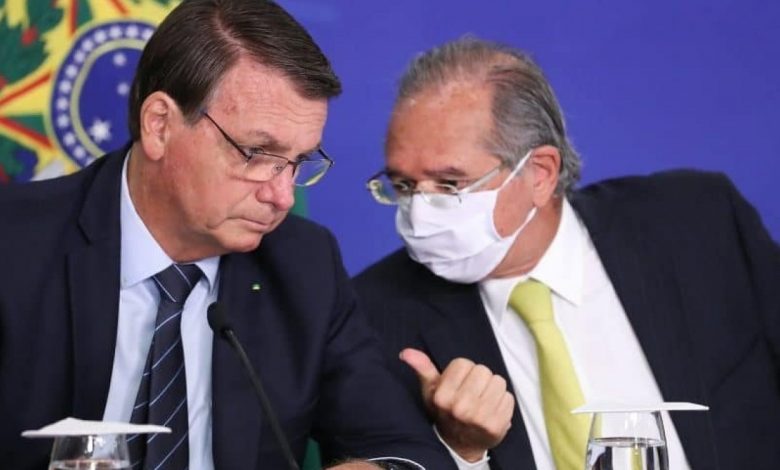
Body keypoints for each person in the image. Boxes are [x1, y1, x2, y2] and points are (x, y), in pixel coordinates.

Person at [0, 1, 458, 469]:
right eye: (257, 154)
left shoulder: (303, 266)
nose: (282, 196)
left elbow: (404, 449)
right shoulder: (13, 245)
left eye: (298, 162)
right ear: (160, 125)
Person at [354, 36, 780, 470]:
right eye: (404, 185)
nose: (420, 213)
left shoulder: (699, 222)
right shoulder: (373, 316)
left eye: (449, 184)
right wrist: (462, 451)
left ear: (540, 173)